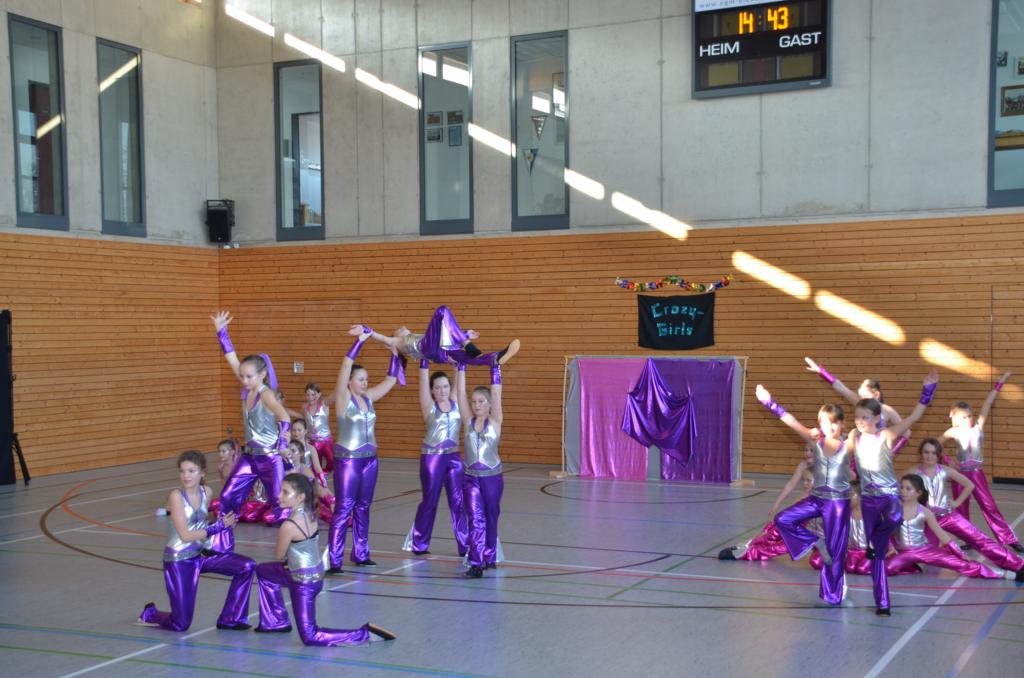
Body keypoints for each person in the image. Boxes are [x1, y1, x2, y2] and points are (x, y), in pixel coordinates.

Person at [254, 473, 396, 644]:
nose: (279, 496)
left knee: (310, 636)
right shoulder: (312, 513)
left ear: (300, 497)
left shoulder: (289, 525)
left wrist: (285, 549)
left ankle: (364, 634)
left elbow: (278, 554)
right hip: (313, 575)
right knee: (263, 571)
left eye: (285, 492)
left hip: (303, 583)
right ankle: (275, 621)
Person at [849, 369, 938, 616]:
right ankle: (883, 603)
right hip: (868, 500)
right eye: (857, 417)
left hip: (889, 498)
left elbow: (915, 416)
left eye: (865, 417)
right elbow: (838, 452)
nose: (859, 421)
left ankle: (874, 541)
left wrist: (928, 390)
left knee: (895, 519)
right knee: (878, 557)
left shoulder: (887, 435)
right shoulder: (855, 437)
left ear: (878, 418)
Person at [137, 451, 255, 631]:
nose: (186, 476)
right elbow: (185, 535)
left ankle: (230, 618)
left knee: (246, 566)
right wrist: (218, 526)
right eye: (182, 471)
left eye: (191, 471)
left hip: (201, 555)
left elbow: (201, 525)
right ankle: (150, 614)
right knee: (181, 624)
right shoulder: (176, 496)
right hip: (180, 560)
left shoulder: (206, 492)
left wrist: (226, 523)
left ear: (202, 473)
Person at [754, 386, 851, 605]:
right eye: (824, 422)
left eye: (833, 423)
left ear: (842, 424)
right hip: (817, 498)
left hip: (837, 503)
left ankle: (833, 596)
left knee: (836, 552)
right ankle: (816, 542)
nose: (828, 427)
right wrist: (769, 402)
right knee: (783, 519)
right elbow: (791, 421)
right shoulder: (816, 441)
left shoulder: (848, 445)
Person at [209, 311, 292, 552]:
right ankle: (221, 545)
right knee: (228, 497)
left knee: (281, 505)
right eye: (242, 376)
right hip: (249, 457)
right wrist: (221, 331)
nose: (244, 380)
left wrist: (282, 442)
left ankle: (295, 553)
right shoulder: (249, 388)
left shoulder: (266, 394)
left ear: (262, 374)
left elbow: (284, 416)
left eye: (248, 376)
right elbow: (232, 358)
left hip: (269, 458)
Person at [326, 324, 401, 573]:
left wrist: (394, 353)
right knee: (344, 508)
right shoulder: (343, 398)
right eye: (361, 379)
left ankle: (361, 553)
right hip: (348, 460)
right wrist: (360, 341)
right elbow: (346, 364)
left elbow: (391, 379)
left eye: (366, 379)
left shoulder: (368, 397)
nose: (365, 382)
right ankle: (334, 560)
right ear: (349, 381)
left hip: (370, 459)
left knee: (363, 507)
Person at [910, 438, 1024, 572]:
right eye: (926, 452)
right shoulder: (912, 473)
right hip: (928, 521)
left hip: (948, 516)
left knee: (980, 539)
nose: (929, 456)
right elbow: (901, 494)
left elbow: (969, 485)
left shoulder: (945, 470)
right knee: (922, 552)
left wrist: (956, 502)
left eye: (933, 453)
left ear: (939, 455)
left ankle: (1016, 564)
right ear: (921, 453)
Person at [941, 373, 1024, 552]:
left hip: (976, 473)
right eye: (963, 417)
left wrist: (999, 384)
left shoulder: (978, 427)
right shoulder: (953, 431)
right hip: (961, 475)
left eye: (969, 416)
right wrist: (948, 460)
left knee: (989, 505)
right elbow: (935, 445)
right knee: (961, 508)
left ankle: (1008, 539)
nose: (968, 419)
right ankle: (967, 539)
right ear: (957, 418)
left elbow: (987, 403)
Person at [885, 474, 1019, 581]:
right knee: (886, 569)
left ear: (918, 493)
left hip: (925, 550)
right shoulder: (894, 510)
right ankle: (912, 567)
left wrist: (960, 554)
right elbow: (885, 532)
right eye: (902, 487)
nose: (903, 491)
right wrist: (891, 547)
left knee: (961, 564)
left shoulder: (925, 512)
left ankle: (1002, 574)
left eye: (908, 489)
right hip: (903, 552)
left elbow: (942, 535)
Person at [403, 363, 468, 556]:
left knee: (458, 502)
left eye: (445, 386)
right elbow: (423, 379)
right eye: (438, 387)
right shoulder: (429, 406)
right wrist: (424, 360)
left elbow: (460, 381)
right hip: (432, 459)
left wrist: (459, 363)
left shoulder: (456, 401)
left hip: (454, 458)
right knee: (430, 501)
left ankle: (465, 545)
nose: (442, 391)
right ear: (432, 390)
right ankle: (419, 543)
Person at [719, 459, 820, 562]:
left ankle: (747, 553)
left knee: (779, 548)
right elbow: (788, 516)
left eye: (809, 481)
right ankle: (744, 548)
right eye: (804, 480)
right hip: (796, 531)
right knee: (771, 535)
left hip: (810, 536)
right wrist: (769, 528)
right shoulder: (803, 497)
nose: (805, 484)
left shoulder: (823, 501)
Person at [458, 362, 506, 577]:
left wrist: (495, 369)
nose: (476, 405)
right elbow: (460, 394)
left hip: (492, 478)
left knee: (491, 517)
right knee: (475, 519)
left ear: (489, 404)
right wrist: (461, 368)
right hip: (470, 478)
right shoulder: (467, 421)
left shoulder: (495, 421)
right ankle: (476, 562)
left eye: (481, 401)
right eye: (474, 401)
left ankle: (490, 555)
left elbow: (497, 394)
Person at [804, 358, 910, 454]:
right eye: (860, 396)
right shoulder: (860, 402)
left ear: (876, 394)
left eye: (865, 396)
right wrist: (821, 371)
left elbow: (906, 433)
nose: (862, 400)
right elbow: (841, 388)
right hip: (860, 450)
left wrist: (891, 453)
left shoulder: (887, 411)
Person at [361, 305, 519, 367]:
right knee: (442, 311)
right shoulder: (396, 342)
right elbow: (382, 338)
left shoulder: (408, 341)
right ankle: (467, 343)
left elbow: (444, 335)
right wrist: (368, 331)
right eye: (398, 329)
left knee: (466, 358)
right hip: (428, 348)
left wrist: (464, 333)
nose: (402, 327)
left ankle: (495, 358)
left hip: (438, 352)